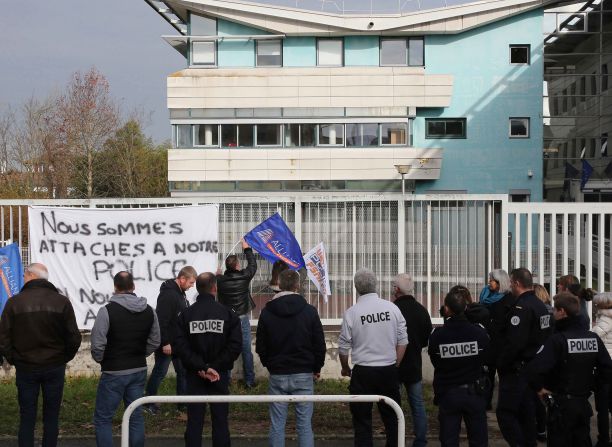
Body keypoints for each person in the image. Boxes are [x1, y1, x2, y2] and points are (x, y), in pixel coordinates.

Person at [0, 263, 81, 447]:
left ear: (29, 276)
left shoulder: (14, 302)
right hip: (54, 366)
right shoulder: (61, 302)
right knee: (52, 415)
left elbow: (3, 338)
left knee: (27, 416)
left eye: (24, 275)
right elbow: (74, 337)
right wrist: (63, 358)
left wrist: (14, 359)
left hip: (26, 367)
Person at [527, 292, 612, 447]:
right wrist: (592, 385)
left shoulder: (557, 340)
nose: (553, 313)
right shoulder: (592, 338)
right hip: (583, 404)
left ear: (562, 312)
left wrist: (540, 388)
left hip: (561, 406)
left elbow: (534, 370)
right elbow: (607, 369)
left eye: (554, 310)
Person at [338, 268, 408, 447]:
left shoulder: (352, 313)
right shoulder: (392, 308)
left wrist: (345, 368)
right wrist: (395, 364)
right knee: (392, 418)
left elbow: (344, 348)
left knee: (362, 421)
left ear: (356, 287)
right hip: (388, 370)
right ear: (375, 285)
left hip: (363, 372)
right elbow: (403, 340)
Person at [255, 269, 326, 447]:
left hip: (278, 373)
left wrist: (270, 365)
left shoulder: (267, 312)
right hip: (303, 373)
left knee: (277, 425)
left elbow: (261, 346)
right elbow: (319, 344)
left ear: (279, 285)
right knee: (304, 426)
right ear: (297, 286)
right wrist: (316, 368)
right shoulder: (309, 311)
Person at [91, 271, 160, 447]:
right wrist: (140, 354)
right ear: (133, 287)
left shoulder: (106, 311)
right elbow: (155, 341)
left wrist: (104, 360)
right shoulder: (149, 310)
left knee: (103, 419)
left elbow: (97, 345)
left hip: (113, 371)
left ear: (115, 288)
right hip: (138, 369)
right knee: (135, 416)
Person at [174, 272, 242, 447]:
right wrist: (214, 367)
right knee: (220, 420)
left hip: (195, 374)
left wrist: (202, 367)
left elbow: (181, 347)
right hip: (218, 375)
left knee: (194, 420)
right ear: (215, 288)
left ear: (198, 288)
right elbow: (234, 346)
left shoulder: (186, 315)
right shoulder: (227, 314)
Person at [496, 267, 552, 447]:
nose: (510, 286)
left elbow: (515, 343)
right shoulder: (540, 306)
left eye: (511, 283)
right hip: (534, 369)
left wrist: (501, 363)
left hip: (518, 370)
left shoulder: (522, 307)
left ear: (517, 283)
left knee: (506, 413)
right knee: (526, 413)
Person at [429, 289, 490, 447]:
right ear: (465, 308)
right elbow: (486, 356)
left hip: (449, 393)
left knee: (449, 441)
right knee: (479, 440)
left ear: (447, 309)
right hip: (474, 393)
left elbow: (436, 361)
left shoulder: (437, 335)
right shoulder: (479, 333)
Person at [144, 266, 197, 414]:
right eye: (191, 283)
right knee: (160, 372)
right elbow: (162, 320)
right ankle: (148, 401)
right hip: (168, 344)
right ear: (182, 279)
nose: (192, 286)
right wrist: (165, 342)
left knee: (183, 372)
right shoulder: (168, 295)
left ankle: (182, 403)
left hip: (179, 343)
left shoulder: (180, 293)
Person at [392, 273, 432, 447]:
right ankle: (420, 441)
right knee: (417, 404)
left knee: (393, 405)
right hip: (414, 364)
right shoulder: (421, 310)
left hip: (393, 364)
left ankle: (394, 439)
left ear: (397, 290)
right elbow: (426, 337)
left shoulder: (391, 310)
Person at [217, 239, 257, 388]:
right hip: (241, 318)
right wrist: (247, 249)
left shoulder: (219, 280)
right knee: (246, 349)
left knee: (227, 349)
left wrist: (218, 274)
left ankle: (225, 381)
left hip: (227, 319)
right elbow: (253, 265)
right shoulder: (244, 276)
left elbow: (216, 279)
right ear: (237, 265)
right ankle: (249, 381)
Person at [479, 269, 513, 411]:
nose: (489, 282)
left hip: (502, 345)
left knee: (505, 377)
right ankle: (485, 403)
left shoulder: (509, 299)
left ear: (500, 283)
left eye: (491, 280)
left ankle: (506, 405)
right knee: (487, 376)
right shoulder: (485, 295)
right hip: (487, 343)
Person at [533, 283, 554, 442]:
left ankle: (540, 429)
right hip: (553, 359)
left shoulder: (536, 312)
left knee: (538, 395)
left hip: (538, 357)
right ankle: (546, 428)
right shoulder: (555, 311)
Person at [592, 292, 612, 447]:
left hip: (605, 367)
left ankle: (603, 439)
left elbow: (595, 335)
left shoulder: (605, 319)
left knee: (603, 407)